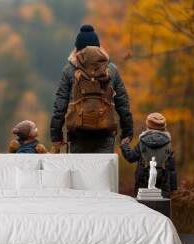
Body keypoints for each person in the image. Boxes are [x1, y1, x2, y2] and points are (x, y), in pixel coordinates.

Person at [50, 25, 133, 153]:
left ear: (77, 49)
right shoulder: (111, 69)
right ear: (99, 48)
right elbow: (122, 102)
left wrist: (56, 134)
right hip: (105, 133)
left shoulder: (70, 70)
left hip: (78, 134)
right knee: (103, 173)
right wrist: (127, 132)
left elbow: (60, 104)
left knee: (78, 172)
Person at [120, 113, 177, 198]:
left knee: (143, 206)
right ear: (164, 127)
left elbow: (131, 157)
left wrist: (124, 146)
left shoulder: (142, 143)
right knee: (162, 207)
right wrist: (173, 187)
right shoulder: (168, 144)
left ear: (148, 126)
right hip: (163, 181)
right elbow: (172, 168)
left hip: (143, 179)